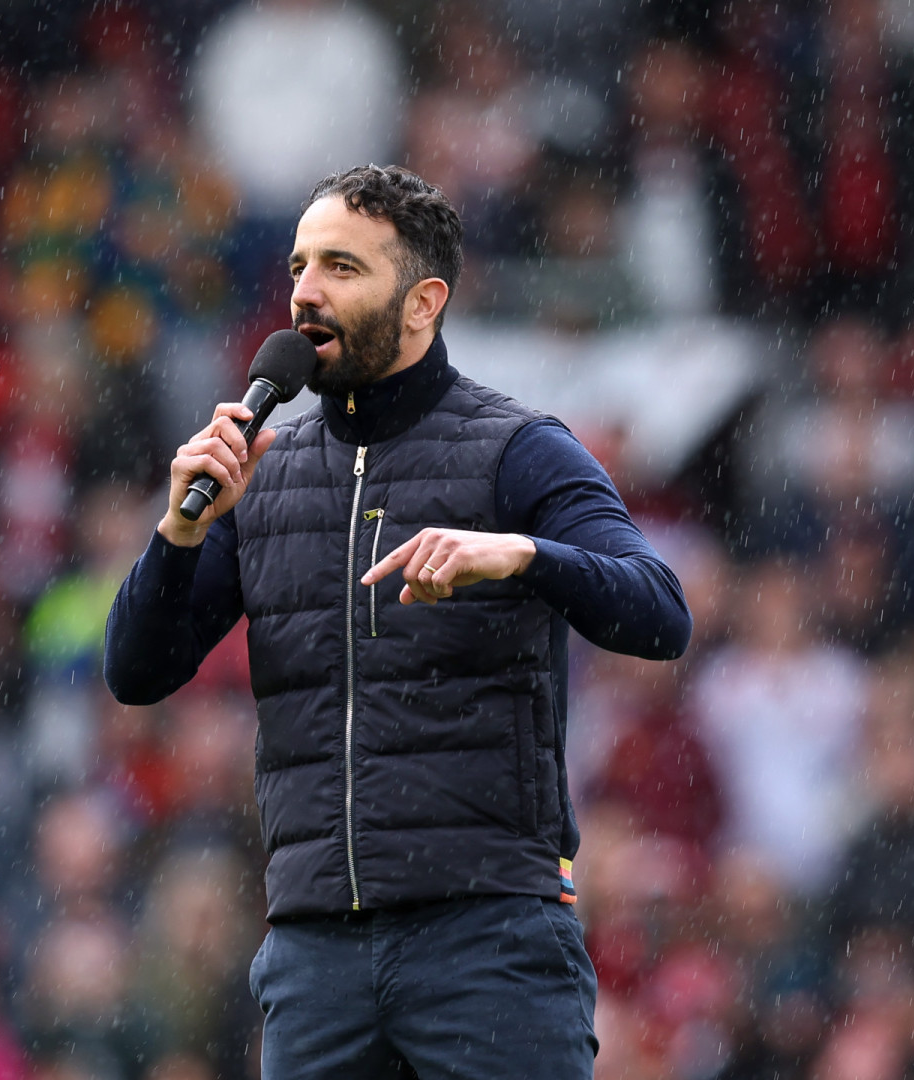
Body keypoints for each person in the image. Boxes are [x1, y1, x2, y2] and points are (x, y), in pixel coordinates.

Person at [104, 164, 691, 1079]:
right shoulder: (263, 474)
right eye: (300, 265)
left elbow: (661, 610)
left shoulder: (520, 448)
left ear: (423, 302)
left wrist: (521, 554)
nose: (304, 291)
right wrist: (180, 529)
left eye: (341, 267)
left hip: (489, 940)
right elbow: (136, 674)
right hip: (314, 953)